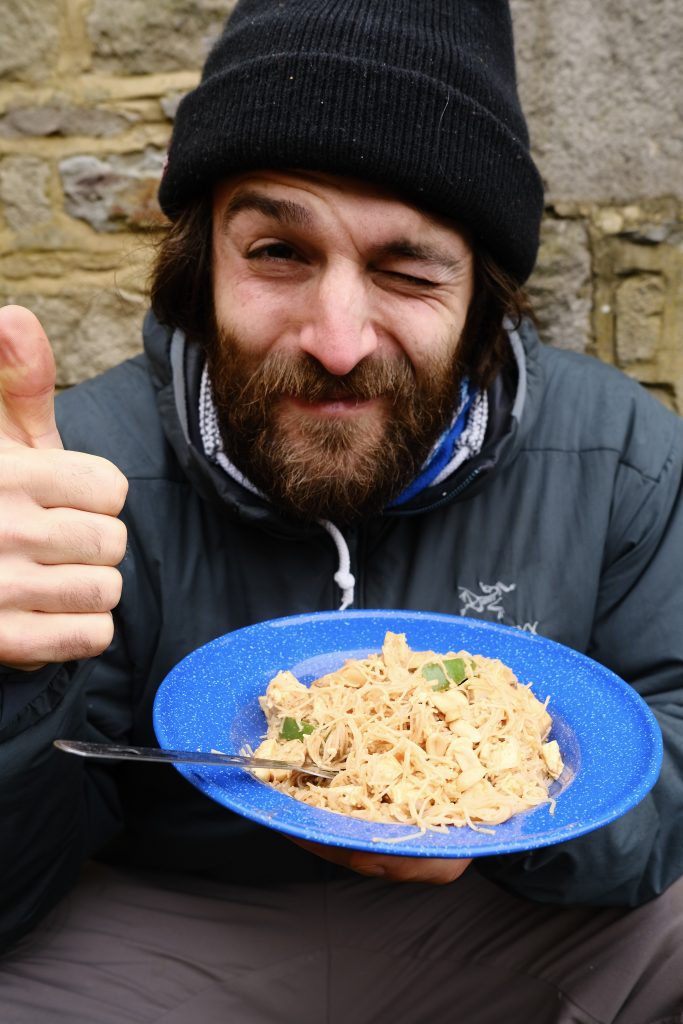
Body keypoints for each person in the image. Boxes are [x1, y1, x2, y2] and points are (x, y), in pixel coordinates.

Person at [0, 1, 682, 1021]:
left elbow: (670, 769)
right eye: (277, 250)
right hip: (166, 930)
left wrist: (499, 808)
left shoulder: (620, 455)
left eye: (405, 270)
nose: (334, 338)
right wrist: (9, 679)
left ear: (485, 303)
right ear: (200, 270)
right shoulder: (82, 476)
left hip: (508, 920)